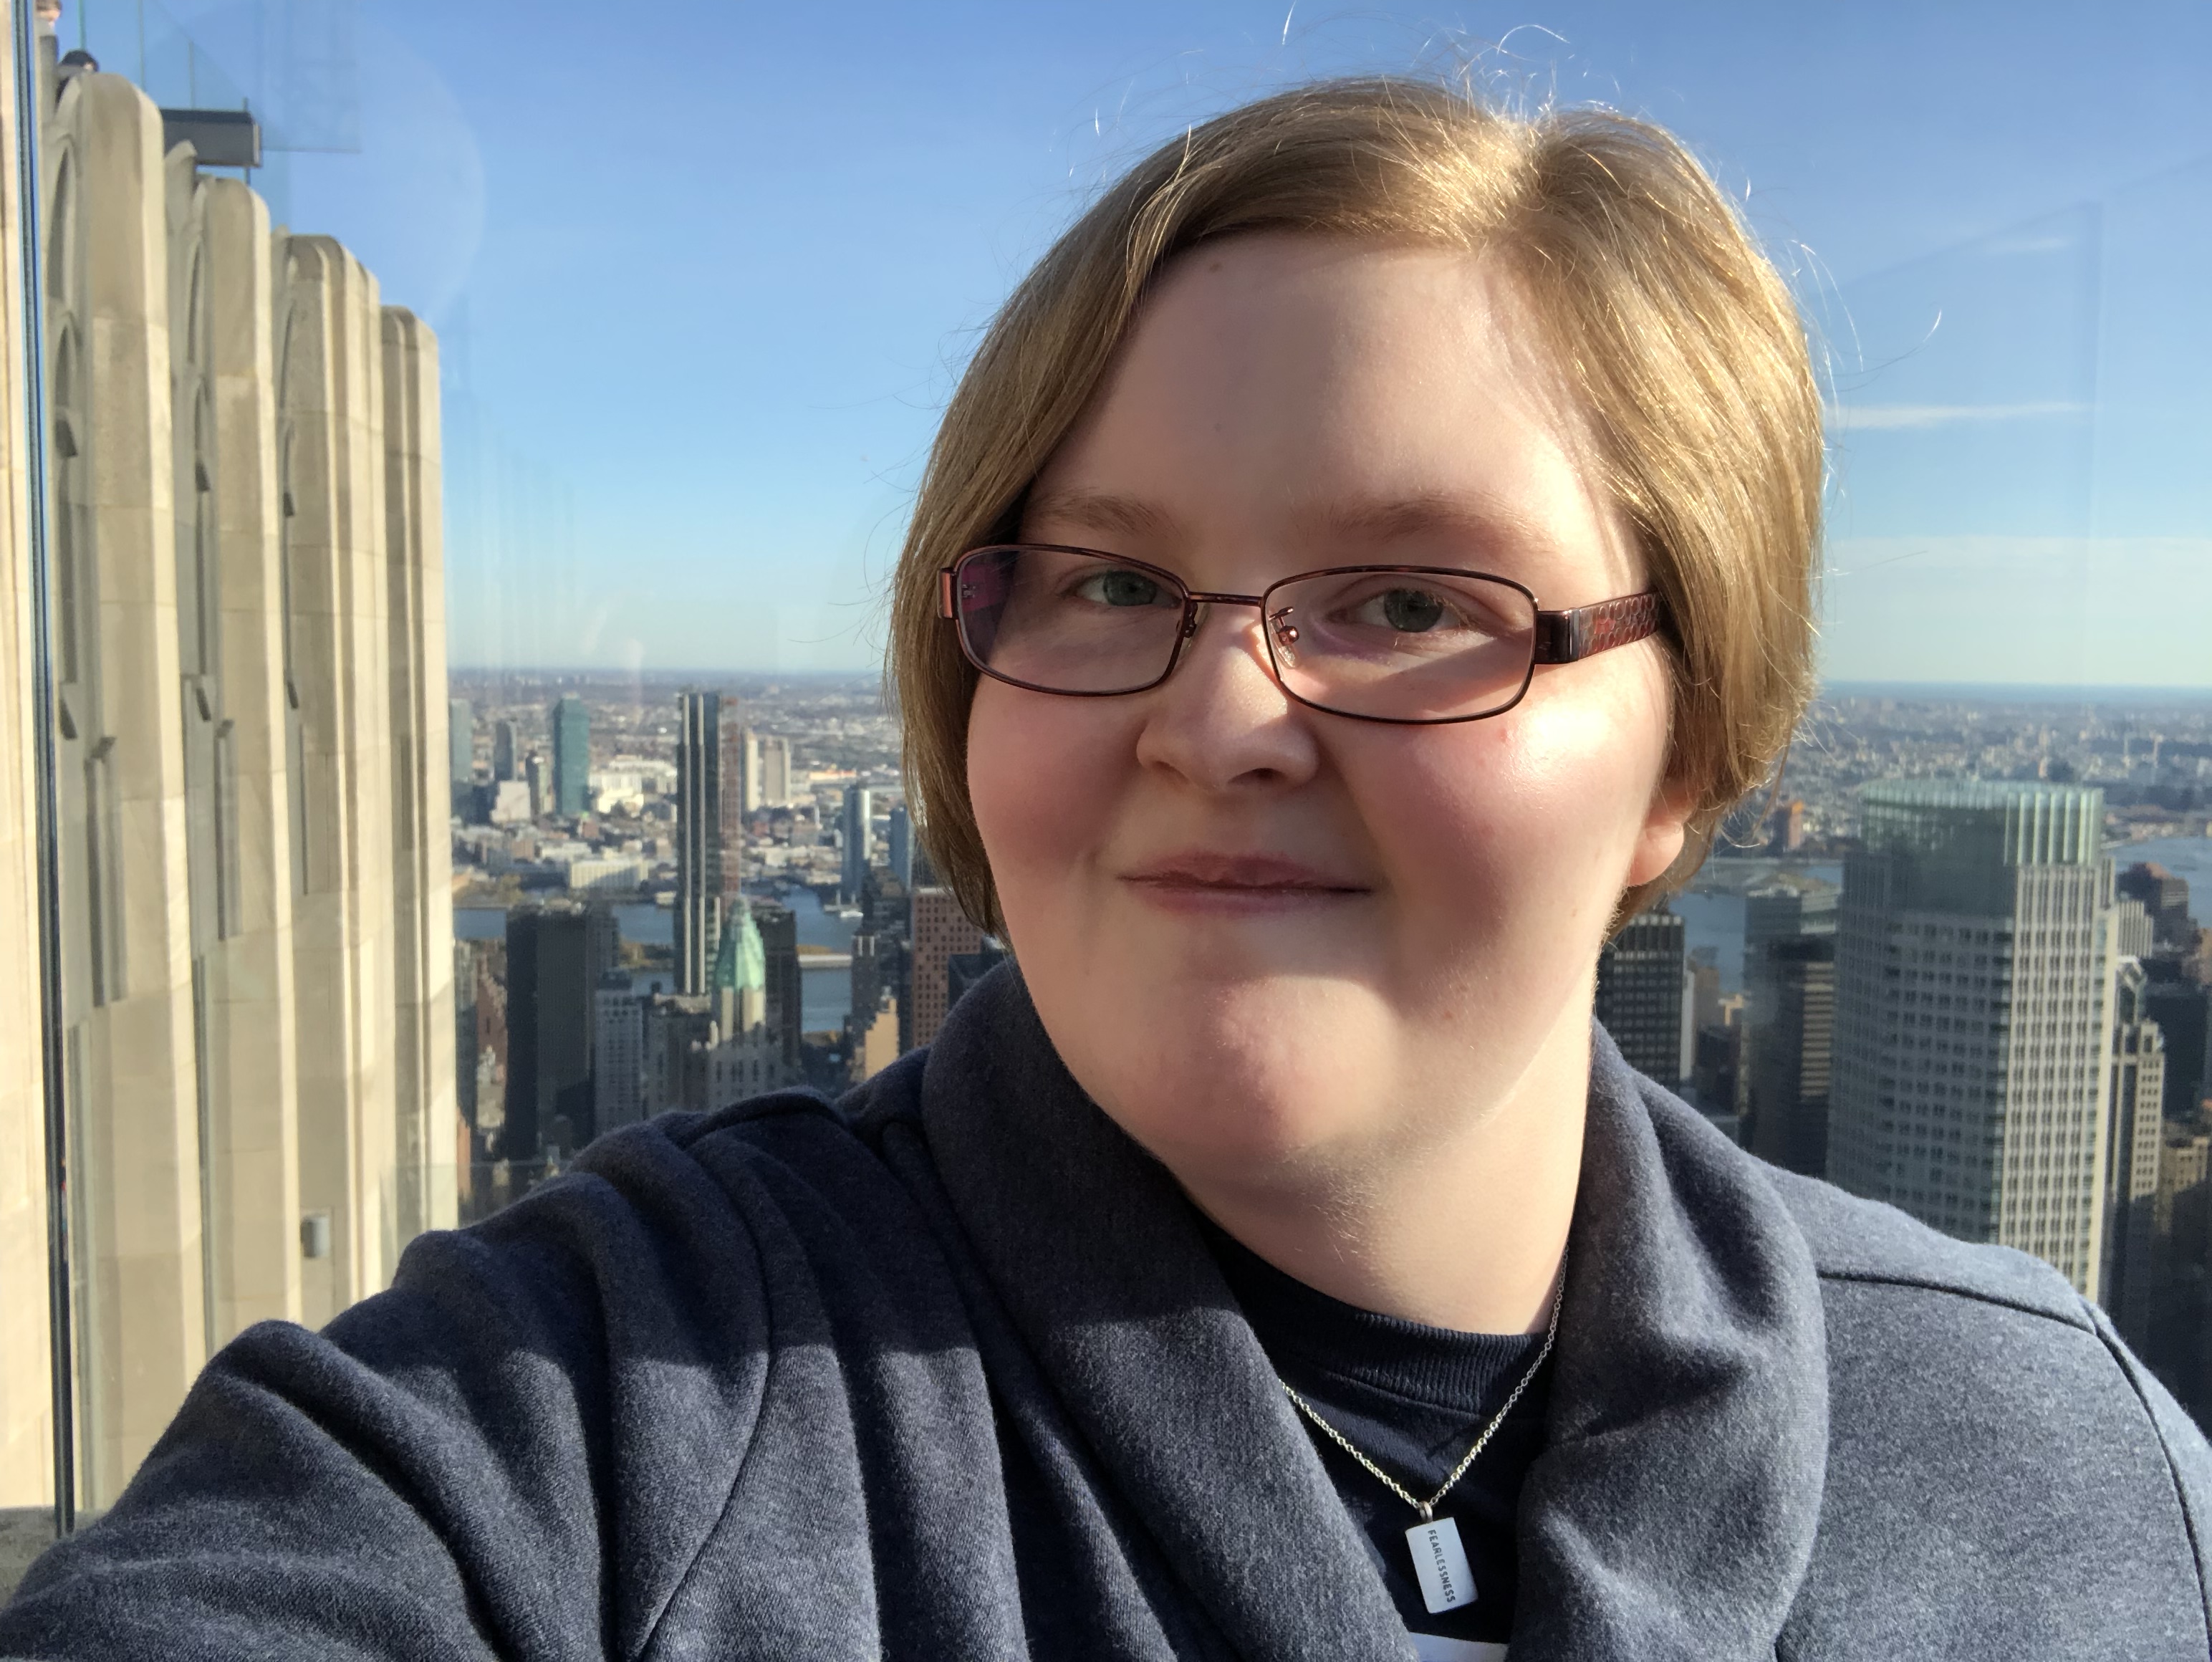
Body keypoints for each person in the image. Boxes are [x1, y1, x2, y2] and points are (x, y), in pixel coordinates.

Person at [4, 77, 2207, 1662]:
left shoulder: (2061, 1466)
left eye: (1410, 601)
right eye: (1101, 581)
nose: (1218, 718)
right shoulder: (607, 1413)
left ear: (1693, 755)